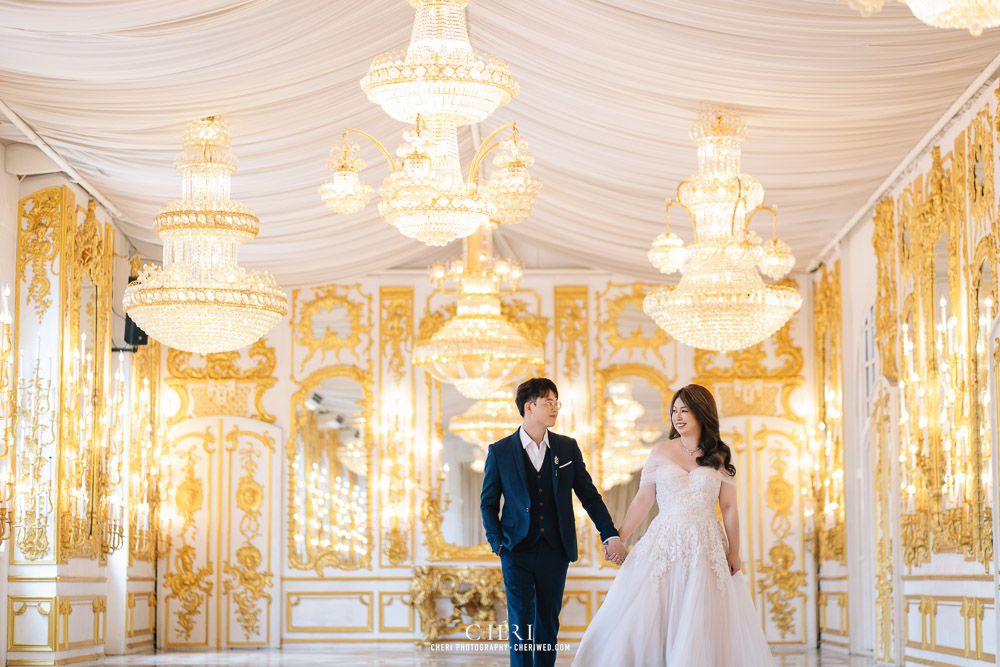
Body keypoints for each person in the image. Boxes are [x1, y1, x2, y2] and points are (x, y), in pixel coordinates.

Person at [572, 384, 777, 666]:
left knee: (700, 613)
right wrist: (618, 537)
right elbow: (643, 500)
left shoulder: (720, 455)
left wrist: (734, 551)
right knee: (648, 611)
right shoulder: (660, 451)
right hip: (664, 540)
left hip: (706, 544)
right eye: (674, 411)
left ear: (702, 413)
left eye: (685, 410)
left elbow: (729, 507)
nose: (678, 417)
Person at [481, 377, 626, 667]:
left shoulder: (567, 448)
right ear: (529, 407)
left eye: (556, 402)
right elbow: (488, 502)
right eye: (548, 402)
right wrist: (498, 544)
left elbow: (590, 497)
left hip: (555, 549)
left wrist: (609, 534)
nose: (555, 408)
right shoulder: (500, 451)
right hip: (516, 549)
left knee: (547, 620)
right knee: (521, 621)